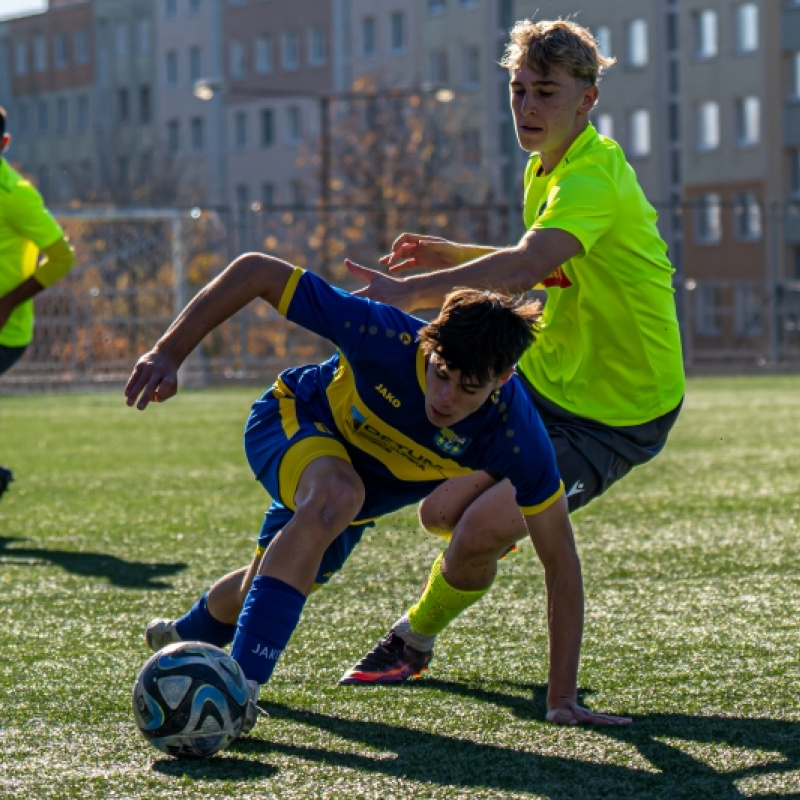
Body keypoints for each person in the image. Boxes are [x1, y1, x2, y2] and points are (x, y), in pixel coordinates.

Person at [125, 249, 632, 729]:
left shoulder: (517, 438)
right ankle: (243, 685)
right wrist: (168, 353)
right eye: (441, 374)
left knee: (271, 578)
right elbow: (257, 270)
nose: (446, 398)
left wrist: (562, 697)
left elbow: (560, 560)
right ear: (430, 342)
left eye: (468, 388)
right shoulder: (381, 334)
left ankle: (192, 631)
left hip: (350, 498)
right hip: (293, 419)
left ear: (504, 378)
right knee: (334, 499)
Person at [339, 17, 685, 695]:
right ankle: (501, 530)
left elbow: (528, 263)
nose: (527, 107)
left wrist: (413, 289)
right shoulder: (545, 167)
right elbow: (548, 268)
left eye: (546, 92)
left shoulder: (592, 179)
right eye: (519, 90)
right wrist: (459, 257)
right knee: (438, 514)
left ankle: (411, 640)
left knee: (473, 533)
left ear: (587, 99)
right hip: (548, 386)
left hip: (619, 412)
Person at [0, 105, 76, 502]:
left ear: (4, 143)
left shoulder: (16, 197)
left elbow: (63, 257)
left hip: (4, 331)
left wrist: (8, 302)